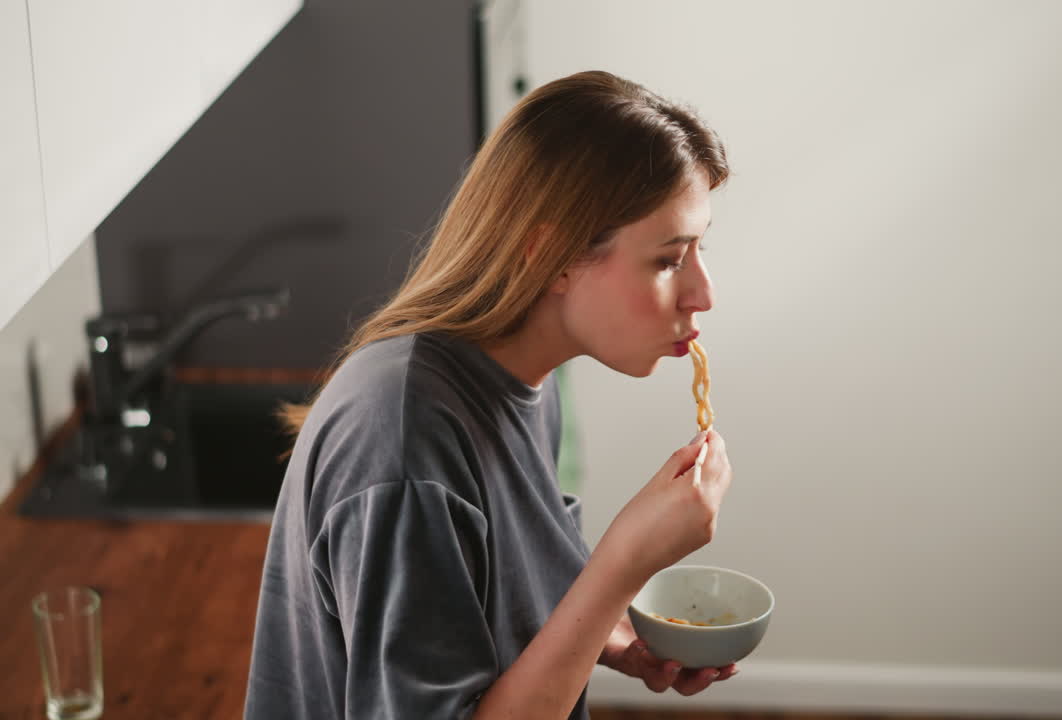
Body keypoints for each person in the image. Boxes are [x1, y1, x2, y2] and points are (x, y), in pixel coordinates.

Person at [244, 69, 734, 719]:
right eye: (669, 259)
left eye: (699, 250)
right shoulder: (404, 442)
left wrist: (614, 639)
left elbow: (505, 605)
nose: (704, 293)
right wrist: (626, 561)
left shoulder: (531, 380)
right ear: (550, 253)